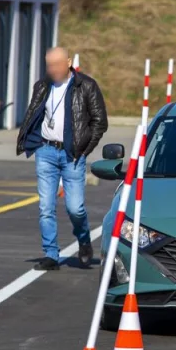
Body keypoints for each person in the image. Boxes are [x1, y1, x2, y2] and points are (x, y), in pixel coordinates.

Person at [16, 47, 108, 270]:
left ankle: (84, 240)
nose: (53, 69)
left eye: (57, 64)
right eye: (49, 65)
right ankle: (51, 254)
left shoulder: (86, 86)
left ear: (68, 62)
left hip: (73, 154)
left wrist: (85, 149)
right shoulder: (42, 85)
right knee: (46, 207)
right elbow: (33, 114)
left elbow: (100, 121)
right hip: (45, 151)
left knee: (75, 208)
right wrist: (30, 141)